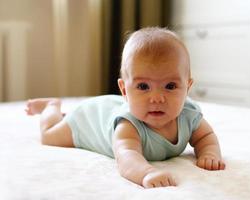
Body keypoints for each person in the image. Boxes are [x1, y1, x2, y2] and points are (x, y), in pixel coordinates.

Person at [25, 27, 225, 188]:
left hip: (105, 110)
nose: (157, 98)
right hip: (89, 119)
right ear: (124, 89)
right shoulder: (128, 125)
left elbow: (205, 138)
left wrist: (209, 154)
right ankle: (52, 106)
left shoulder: (189, 114)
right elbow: (127, 157)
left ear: (187, 87)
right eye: (143, 86)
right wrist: (147, 173)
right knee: (49, 137)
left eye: (170, 86)